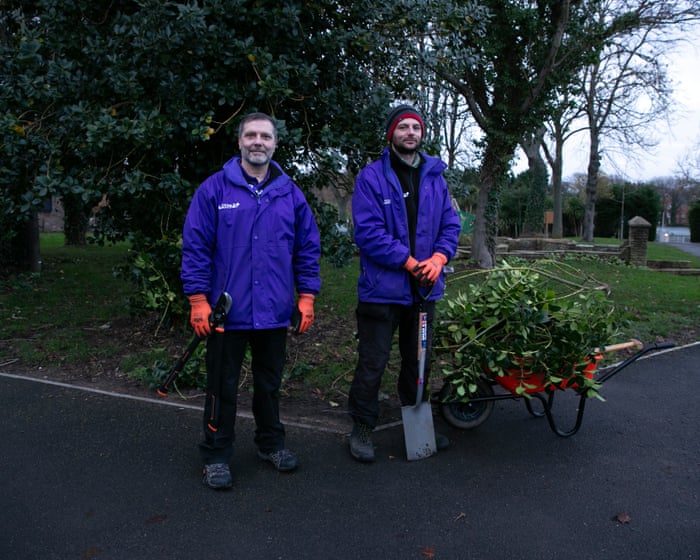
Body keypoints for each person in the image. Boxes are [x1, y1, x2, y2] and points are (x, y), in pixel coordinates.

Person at [181, 112, 321, 489]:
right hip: (226, 312)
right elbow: (195, 248)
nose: (258, 142)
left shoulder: (290, 194)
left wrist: (307, 296)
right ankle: (216, 455)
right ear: (239, 141)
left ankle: (270, 444)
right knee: (221, 387)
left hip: (274, 310)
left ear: (275, 143)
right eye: (251, 135)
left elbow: (307, 248)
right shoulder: (214, 190)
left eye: (265, 136)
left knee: (269, 385)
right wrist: (197, 299)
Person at [348, 104, 461, 463]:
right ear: (391, 134)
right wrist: (409, 262)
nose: (410, 133)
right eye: (403, 127)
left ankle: (417, 426)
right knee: (373, 362)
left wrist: (439, 258)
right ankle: (362, 427)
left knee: (419, 363)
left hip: (424, 290)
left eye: (416, 127)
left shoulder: (435, 177)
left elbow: (451, 225)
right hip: (382, 291)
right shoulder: (371, 178)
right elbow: (368, 233)